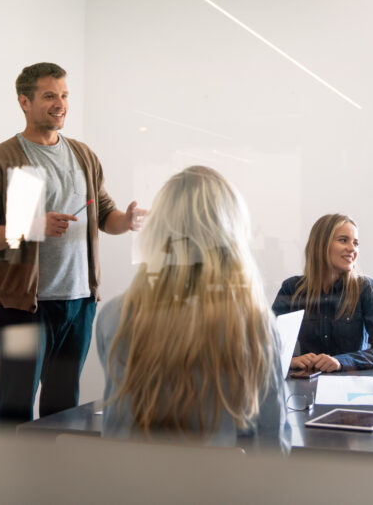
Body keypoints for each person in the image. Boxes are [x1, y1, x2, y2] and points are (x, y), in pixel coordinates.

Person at [0, 62, 145, 435]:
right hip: (23, 308)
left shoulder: (83, 155)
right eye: (49, 96)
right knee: (15, 411)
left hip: (79, 305)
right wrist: (29, 228)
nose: (60, 104)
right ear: (24, 102)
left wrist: (124, 222)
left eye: (64, 95)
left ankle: (54, 487)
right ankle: (12, 487)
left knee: (63, 413)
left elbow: (103, 214)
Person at [96, 166, 289, 452]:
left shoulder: (115, 315)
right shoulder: (254, 322)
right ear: (230, 235)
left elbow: (115, 431)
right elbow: (271, 443)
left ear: (159, 229)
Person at [272, 214, 373, 372]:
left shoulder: (366, 288)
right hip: (305, 386)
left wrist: (341, 362)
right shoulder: (292, 288)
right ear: (321, 245)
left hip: (350, 388)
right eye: (343, 240)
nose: (352, 249)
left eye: (355, 243)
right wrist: (291, 361)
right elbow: (266, 346)